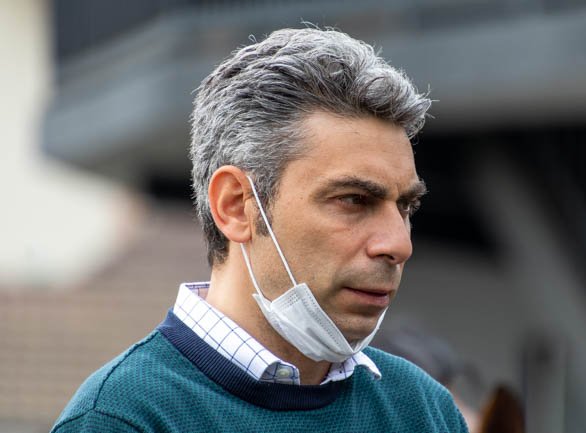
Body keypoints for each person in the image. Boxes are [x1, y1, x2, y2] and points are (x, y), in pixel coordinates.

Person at [52, 27, 469, 432]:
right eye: (354, 200)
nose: (398, 244)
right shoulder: (120, 418)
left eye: (406, 206)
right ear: (235, 206)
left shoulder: (424, 409)